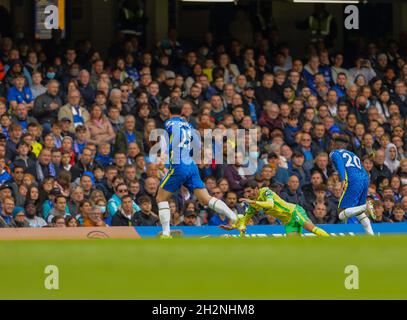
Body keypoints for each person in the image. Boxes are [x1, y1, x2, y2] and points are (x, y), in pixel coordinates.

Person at [156, 103, 238, 238]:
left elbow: (167, 142)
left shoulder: (169, 123)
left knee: (161, 198)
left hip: (179, 164)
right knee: (205, 198)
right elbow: (197, 145)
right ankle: (233, 216)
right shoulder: (189, 126)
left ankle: (166, 233)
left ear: (168, 111)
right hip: (191, 164)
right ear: (182, 111)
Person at [223, 180, 329, 237]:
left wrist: (253, 201)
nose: (247, 194)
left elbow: (270, 204)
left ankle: (331, 241)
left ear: (256, 189)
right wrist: (232, 227)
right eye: (246, 192)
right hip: (288, 222)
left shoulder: (265, 191)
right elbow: (245, 220)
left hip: (294, 211)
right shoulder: (253, 205)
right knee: (295, 246)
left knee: (310, 228)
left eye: (249, 191)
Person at [329, 136, 376, 235]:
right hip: (364, 179)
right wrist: (365, 182)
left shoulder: (334, 153)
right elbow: (362, 169)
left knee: (341, 214)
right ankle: (371, 235)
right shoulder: (353, 154)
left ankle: (365, 206)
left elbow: (340, 164)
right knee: (359, 213)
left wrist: (343, 179)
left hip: (353, 179)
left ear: (334, 144)